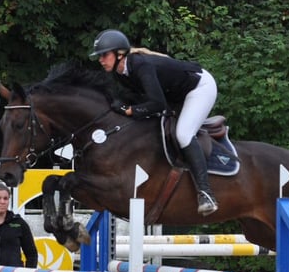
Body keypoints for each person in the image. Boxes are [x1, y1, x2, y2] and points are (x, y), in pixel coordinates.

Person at [89, 28, 219, 215]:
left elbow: (157, 104)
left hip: (199, 87)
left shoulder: (141, 66)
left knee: (183, 134)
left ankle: (206, 193)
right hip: (176, 93)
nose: (100, 60)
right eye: (99, 56)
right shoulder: (120, 72)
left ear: (119, 54)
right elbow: (141, 97)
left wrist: (131, 110)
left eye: (104, 55)